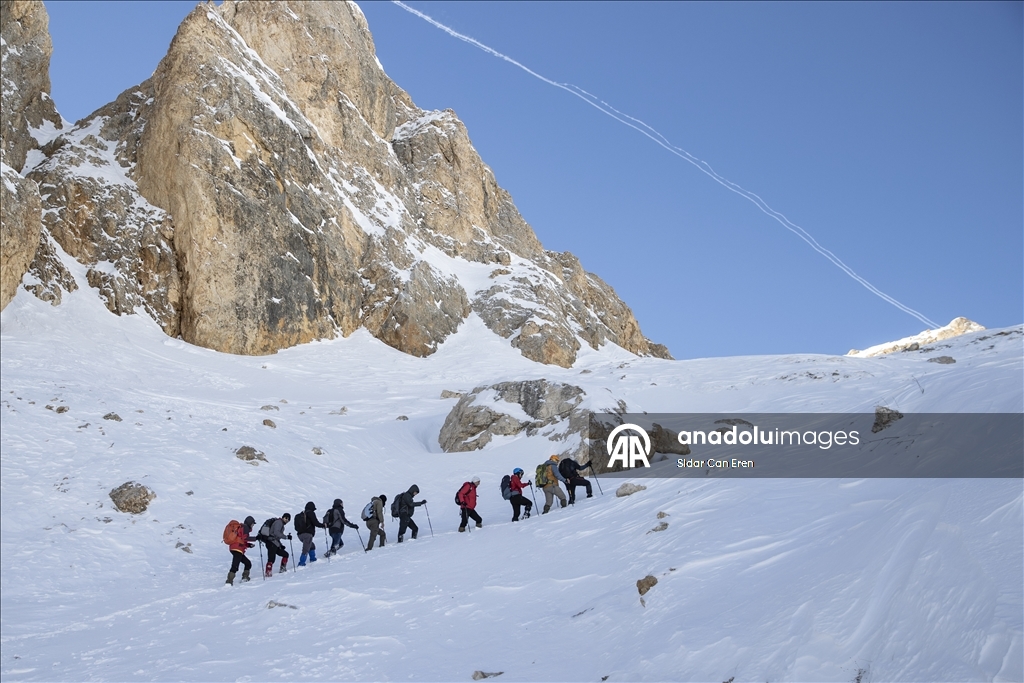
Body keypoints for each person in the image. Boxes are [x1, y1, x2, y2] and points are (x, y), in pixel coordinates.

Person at [258, 513, 292, 577]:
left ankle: (282, 569)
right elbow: (276, 533)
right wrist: (286, 537)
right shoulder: (279, 522)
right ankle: (268, 573)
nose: (287, 520)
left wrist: (280, 545)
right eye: (286, 518)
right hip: (271, 542)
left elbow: (277, 537)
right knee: (271, 559)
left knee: (285, 554)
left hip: (275, 543)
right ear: (283, 517)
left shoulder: (281, 524)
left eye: (288, 519)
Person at [225, 516, 256, 585]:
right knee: (235, 565)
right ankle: (229, 581)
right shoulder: (245, 527)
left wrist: (249, 545)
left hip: (234, 548)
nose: (253, 525)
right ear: (249, 523)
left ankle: (245, 577)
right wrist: (256, 538)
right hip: (237, 549)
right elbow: (245, 538)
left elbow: (241, 540)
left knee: (247, 563)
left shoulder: (242, 527)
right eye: (252, 524)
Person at [294, 501, 325, 566]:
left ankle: (313, 559)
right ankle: (301, 563)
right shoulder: (311, 513)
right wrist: (323, 525)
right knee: (306, 549)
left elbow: (296, 528)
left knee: (311, 546)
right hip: (307, 534)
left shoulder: (299, 515)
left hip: (300, 535)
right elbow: (316, 523)